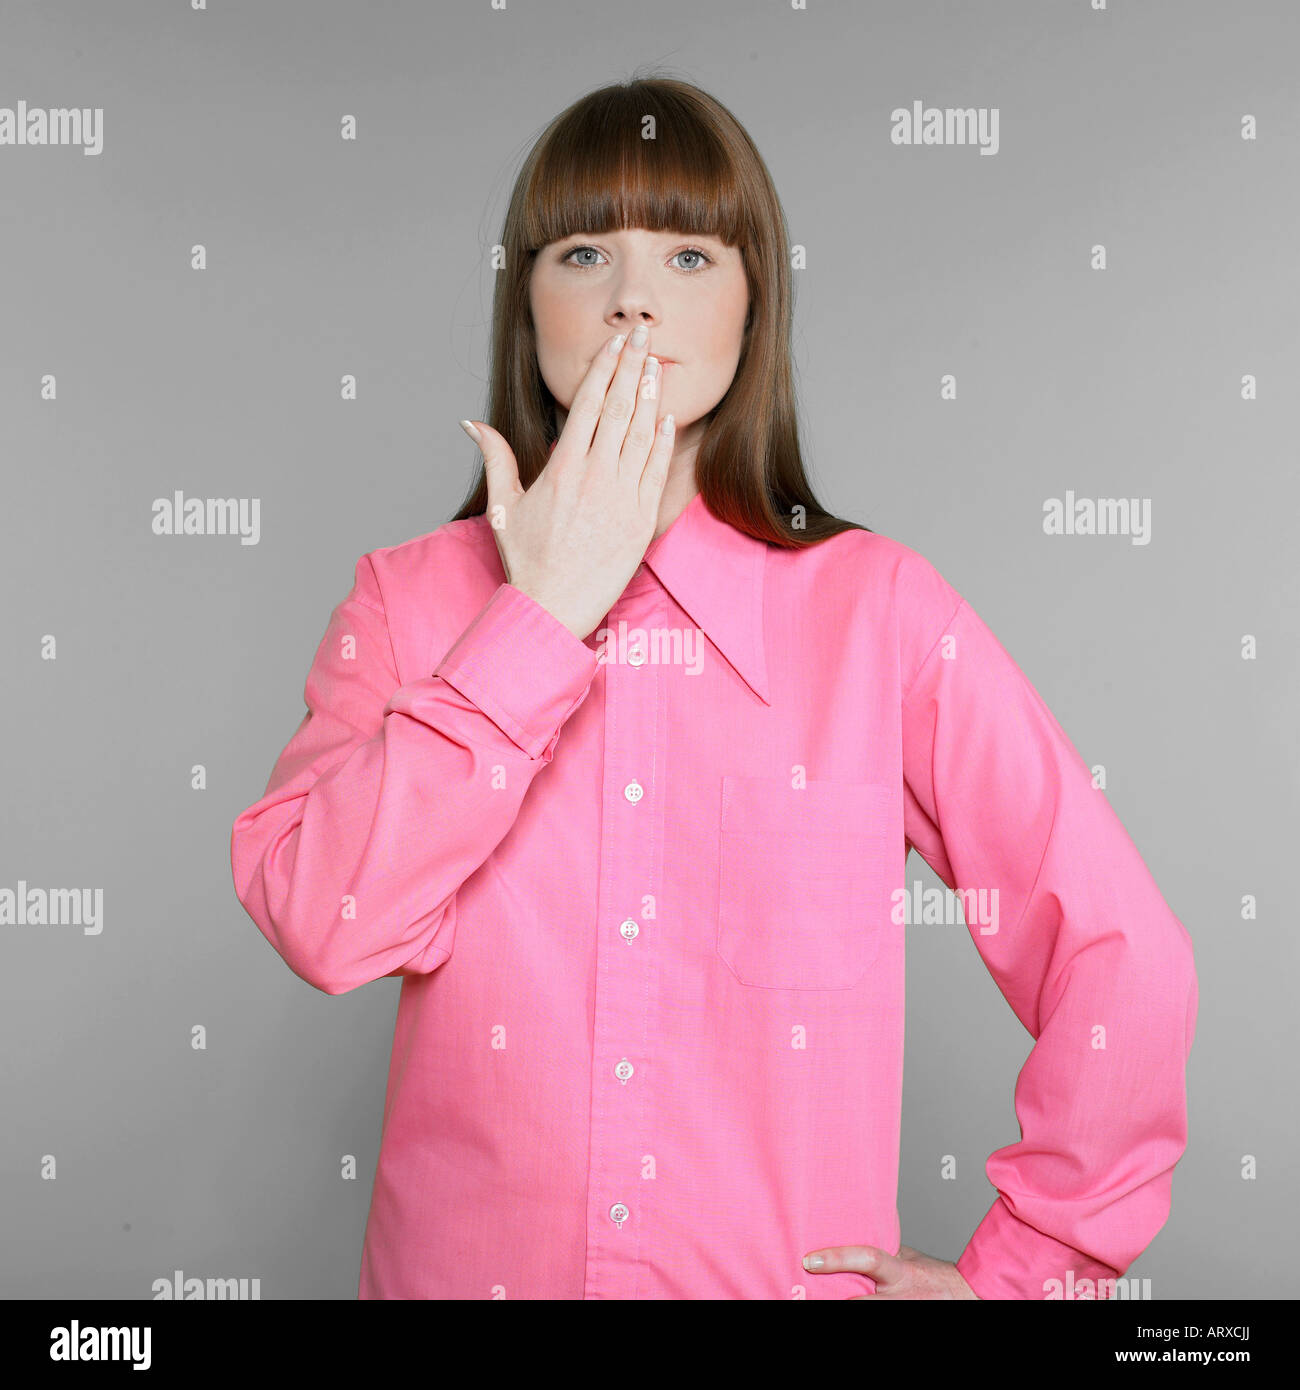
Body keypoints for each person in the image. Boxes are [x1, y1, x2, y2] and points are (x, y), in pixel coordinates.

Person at [229, 75, 1198, 1301]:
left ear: (755, 305)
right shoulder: (406, 600)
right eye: (584, 251)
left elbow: (1124, 953)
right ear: (525, 304)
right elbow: (323, 921)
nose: (633, 293)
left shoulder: (880, 613)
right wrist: (532, 623)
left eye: (689, 254)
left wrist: (1032, 1272)